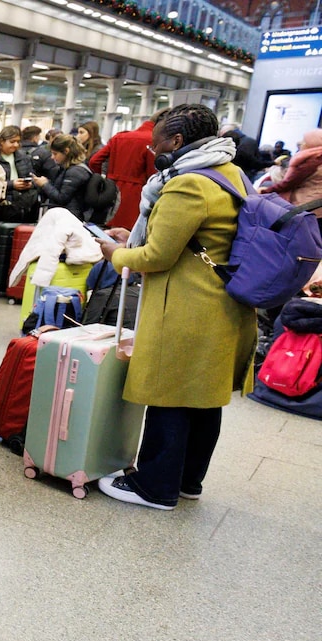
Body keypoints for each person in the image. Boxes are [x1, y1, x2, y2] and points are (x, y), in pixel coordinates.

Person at [95, 104, 255, 510]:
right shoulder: (229, 171)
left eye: (158, 140)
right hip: (224, 304)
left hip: (187, 306)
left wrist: (117, 253)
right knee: (203, 397)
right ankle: (188, 482)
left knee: (168, 394)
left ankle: (155, 486)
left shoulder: (188, 184)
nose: (152, 147)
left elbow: (158, 256)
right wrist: (132, 239)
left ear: (178, 142)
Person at [88, 112, 160, 229]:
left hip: (111, 192)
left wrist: (105, 180)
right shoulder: (152, 141)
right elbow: (153, 174)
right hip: (137, 196)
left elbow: (94, 161)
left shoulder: (119, 137)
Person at [259, 128, 322, 221]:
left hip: (306, 206)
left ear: (312, 143)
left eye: (304, 141)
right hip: (316, 205)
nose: (301, 143)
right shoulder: (317, 157)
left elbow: (289, 183)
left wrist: (265, 192)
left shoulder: (312, 161)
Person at [31, 134, 92, 220]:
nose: (52, 157)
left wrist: (45, 184)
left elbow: (61, 198)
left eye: (55, 154)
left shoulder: (75, 172)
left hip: (70, 218)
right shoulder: (68, 169)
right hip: (67, 216)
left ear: (66, 151)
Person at [0, 125, 40, 223]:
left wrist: (30, 183)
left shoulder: (24, 157)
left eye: (18, 141)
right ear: (2, 141)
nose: (15, 145)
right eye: (12, 142)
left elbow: (32, 176)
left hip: (23, 205)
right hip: (1, 207)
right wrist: (11, 184)